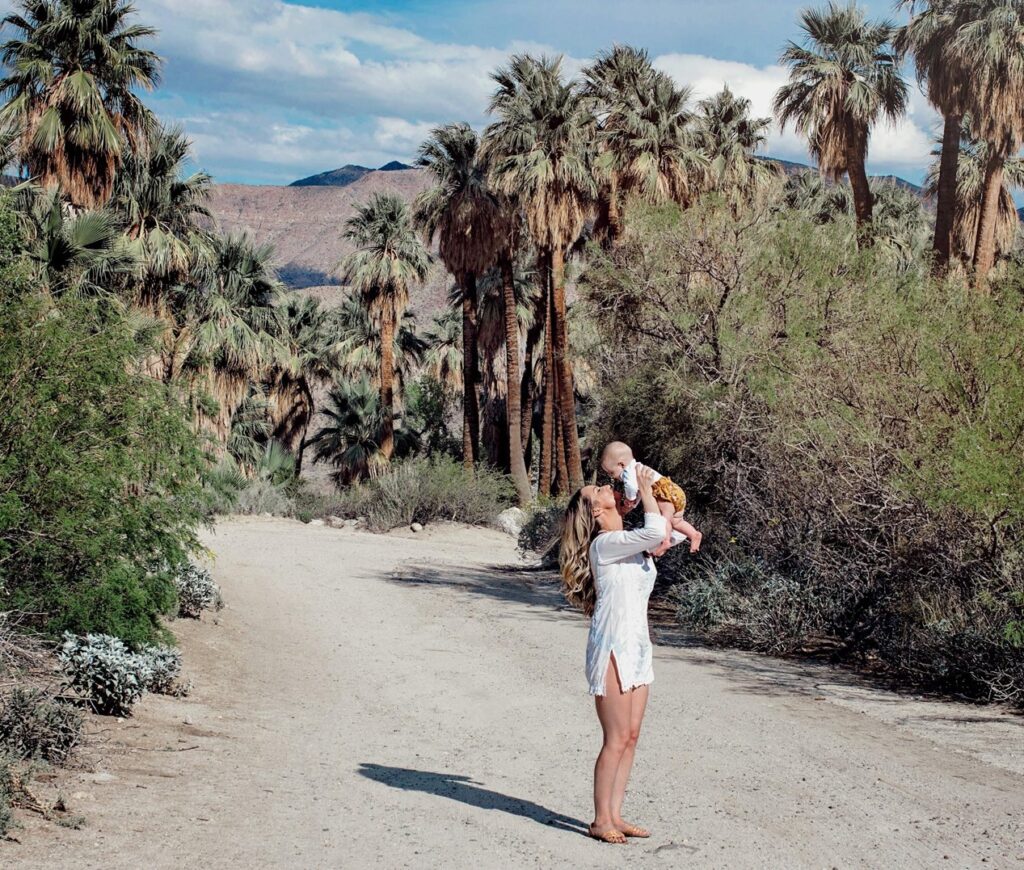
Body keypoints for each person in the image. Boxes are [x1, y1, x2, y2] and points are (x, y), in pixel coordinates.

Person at [559, 465, 687, 844]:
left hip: (638, 647)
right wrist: (647, 491)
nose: (606, 487)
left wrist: (664, 496)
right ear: (596, 511)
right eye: (597, 489)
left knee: (631, 736)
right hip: (612, 645)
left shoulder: (634, 542)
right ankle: (600, 820)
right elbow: (653, 531)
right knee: (615, 737)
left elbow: (670, 531)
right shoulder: (605, 545)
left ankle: (616, 814)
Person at [600, 440, 702, 556]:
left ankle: (665, 541)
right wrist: (634, 504)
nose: (613, 477)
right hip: (674, 492)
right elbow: (642, 492)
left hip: (664, 494)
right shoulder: (638, 468)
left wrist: (630, 498)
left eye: (612, 473)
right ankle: (694, 534)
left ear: (621, 464)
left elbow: (632, 487)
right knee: (676, 521)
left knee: (664, 520)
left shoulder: (628, 472)